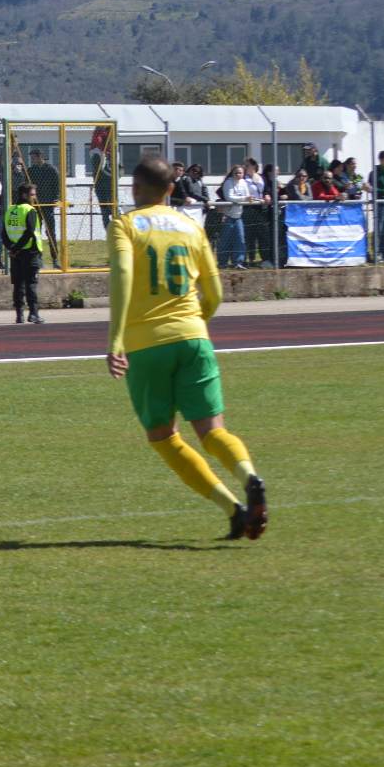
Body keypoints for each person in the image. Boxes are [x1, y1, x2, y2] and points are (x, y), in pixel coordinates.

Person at [106, 155, 268, 541]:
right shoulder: (190, 225)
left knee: (164, 438)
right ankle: (250, 477)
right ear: (172, 189)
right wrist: (196, 323)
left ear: (134, 189)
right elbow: (214, 292)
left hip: (146, 344)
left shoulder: (124, 225)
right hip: (194, 337)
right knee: (212, 431)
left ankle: (232, 507)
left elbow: (124, 275)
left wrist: (115, 339)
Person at [3, 178, 48, 324]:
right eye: (32, 195)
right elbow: (30, 232)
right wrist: (17, 248)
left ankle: (19, 315)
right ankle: (34, 313)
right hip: (30, 252)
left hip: (15, 254)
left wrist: (12, 248)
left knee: (18, 284)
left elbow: (4, 233)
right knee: (31, 283)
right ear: (24, 195)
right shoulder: (30, 210)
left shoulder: (10, 210)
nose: (34, 198)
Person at [25, 148, 61, 253]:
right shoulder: (31, 171)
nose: (32, 159)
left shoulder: (51, 169)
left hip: (48, 204)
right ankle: (37, 255)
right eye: (31, 157)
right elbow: (28, 186)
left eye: (33, 157)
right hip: (35, 205)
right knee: (36, 231)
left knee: (50, 231)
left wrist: (56, 199)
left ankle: (55, 257)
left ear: (39, 156)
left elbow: (57, 186)